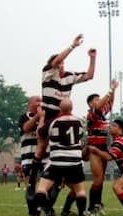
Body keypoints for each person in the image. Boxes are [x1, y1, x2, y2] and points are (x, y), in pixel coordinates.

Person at [27, 34, 97, 191]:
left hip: (63, 117)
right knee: (42, 146)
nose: (62, 65)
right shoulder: (48, 73)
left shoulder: (69, 77)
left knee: (66, 148)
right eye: (60, 63)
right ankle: (32, 180)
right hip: (49, 115)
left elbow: (89, 75)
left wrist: (92, 58)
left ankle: (58, 182)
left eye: (64, 63)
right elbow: (56, 61)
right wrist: (73, 46)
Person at [22, 99, 89, 216]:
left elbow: (40, 134)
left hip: (57, 160)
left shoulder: (53, 121)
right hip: (75, 161)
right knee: (80, 190)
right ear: (72, 108)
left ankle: (36, 214)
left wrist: (41, 118)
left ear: (60, 108)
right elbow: (80, 140)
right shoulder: (79, 122)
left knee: (42, 188)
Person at [62, 80, 118, 216]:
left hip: (103, 147)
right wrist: (110, 89)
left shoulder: (101, 114)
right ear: (91, 103)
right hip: (94, 149)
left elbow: (110, 103)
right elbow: (102, 104)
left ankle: (97, 205)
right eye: (96, 99)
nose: (100, 101)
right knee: (98, 178)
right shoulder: (92, 113)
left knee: (101, 179)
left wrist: (114, 90)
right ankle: (92, 208)